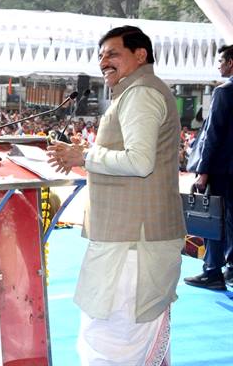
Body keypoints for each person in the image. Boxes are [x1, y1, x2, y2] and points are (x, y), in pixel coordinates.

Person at [47, 26, 185, 365]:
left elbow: (139, 161)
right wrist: (84, 152)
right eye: (100, 56)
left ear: (140, 55)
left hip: (134, 243)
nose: (103, 62)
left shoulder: (141, 93)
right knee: (120, 334)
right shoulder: (134, 92)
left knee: (113, 338)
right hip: (130, 239)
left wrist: (84, 156)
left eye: (112, 53)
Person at [184, 44, 233, 290]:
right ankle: (231, 268)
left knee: (215, 219)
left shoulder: (224, 92)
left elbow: (212, 134)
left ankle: (212, 271)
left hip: (222, 169)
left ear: (231, 63)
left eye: (221, 61)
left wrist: (203, 171)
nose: (218, 66)